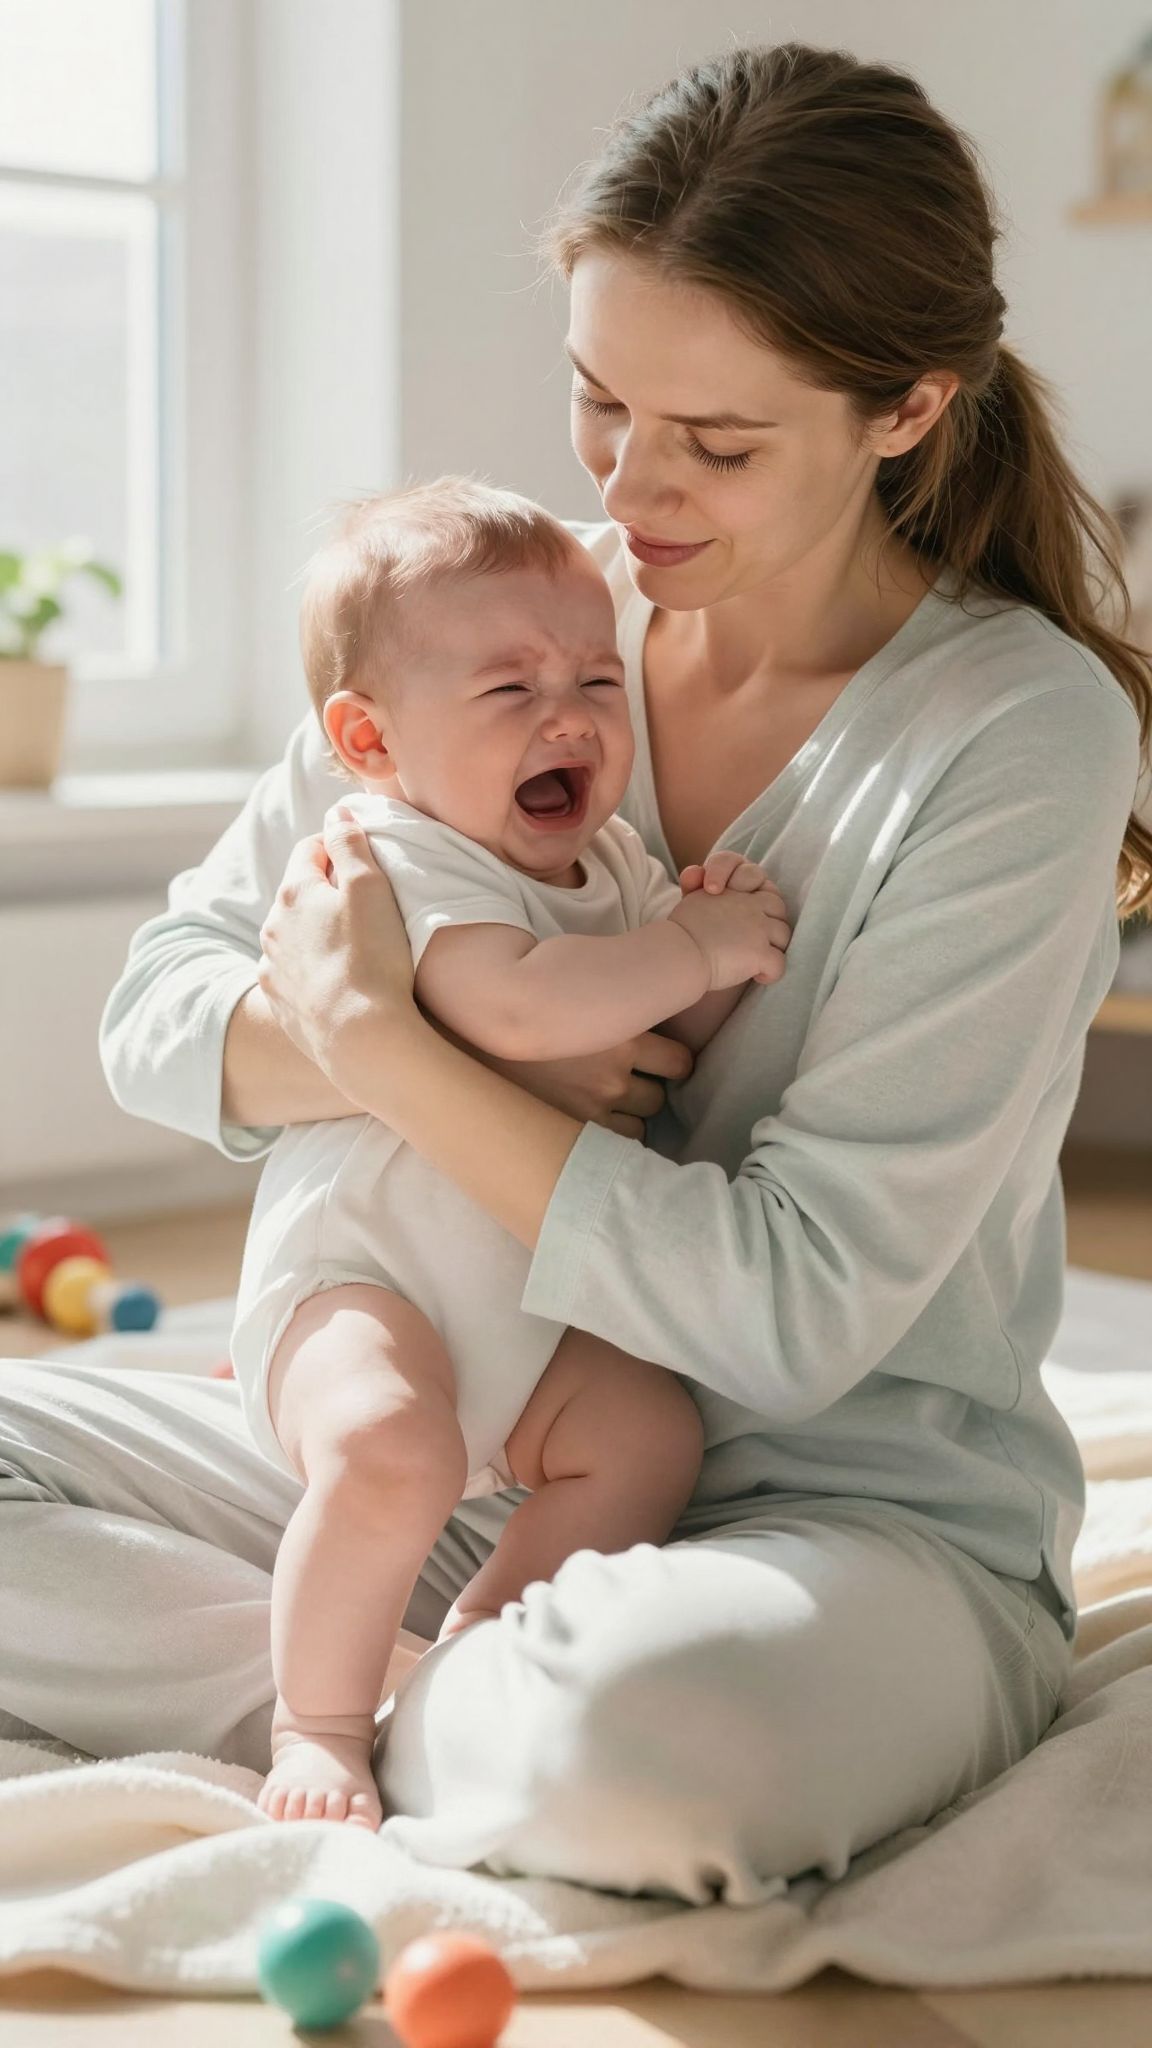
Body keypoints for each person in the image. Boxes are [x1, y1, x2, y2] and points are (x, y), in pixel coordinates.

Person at [2, 42, 1149, 1903]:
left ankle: (372, 1695)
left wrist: (396, 1048)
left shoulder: (1017, 733)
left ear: (908, 408)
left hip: (833, 1517)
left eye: (719, 442)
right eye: (600, 401)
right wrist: (417, 1051)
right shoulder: (509, 614)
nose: (632, 483)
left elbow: (790, 1317)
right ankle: (364, 1705)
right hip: (449, 1447)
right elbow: (161, 1012)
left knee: (647, 1744)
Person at [239, 477, 787, 1828]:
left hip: (531, 1304)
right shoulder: (394, 852)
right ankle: (318, 1724)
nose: (570, 717)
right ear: (370, 739)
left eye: (599, 680)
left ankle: (478, 1643)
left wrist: (708, 966)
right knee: (389, 1449)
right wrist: (691, 951)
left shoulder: (614, 865)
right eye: (509, 691)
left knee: (648, 1436)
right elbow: (519, 1009)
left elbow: (668, 1034)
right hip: (365, 1284)